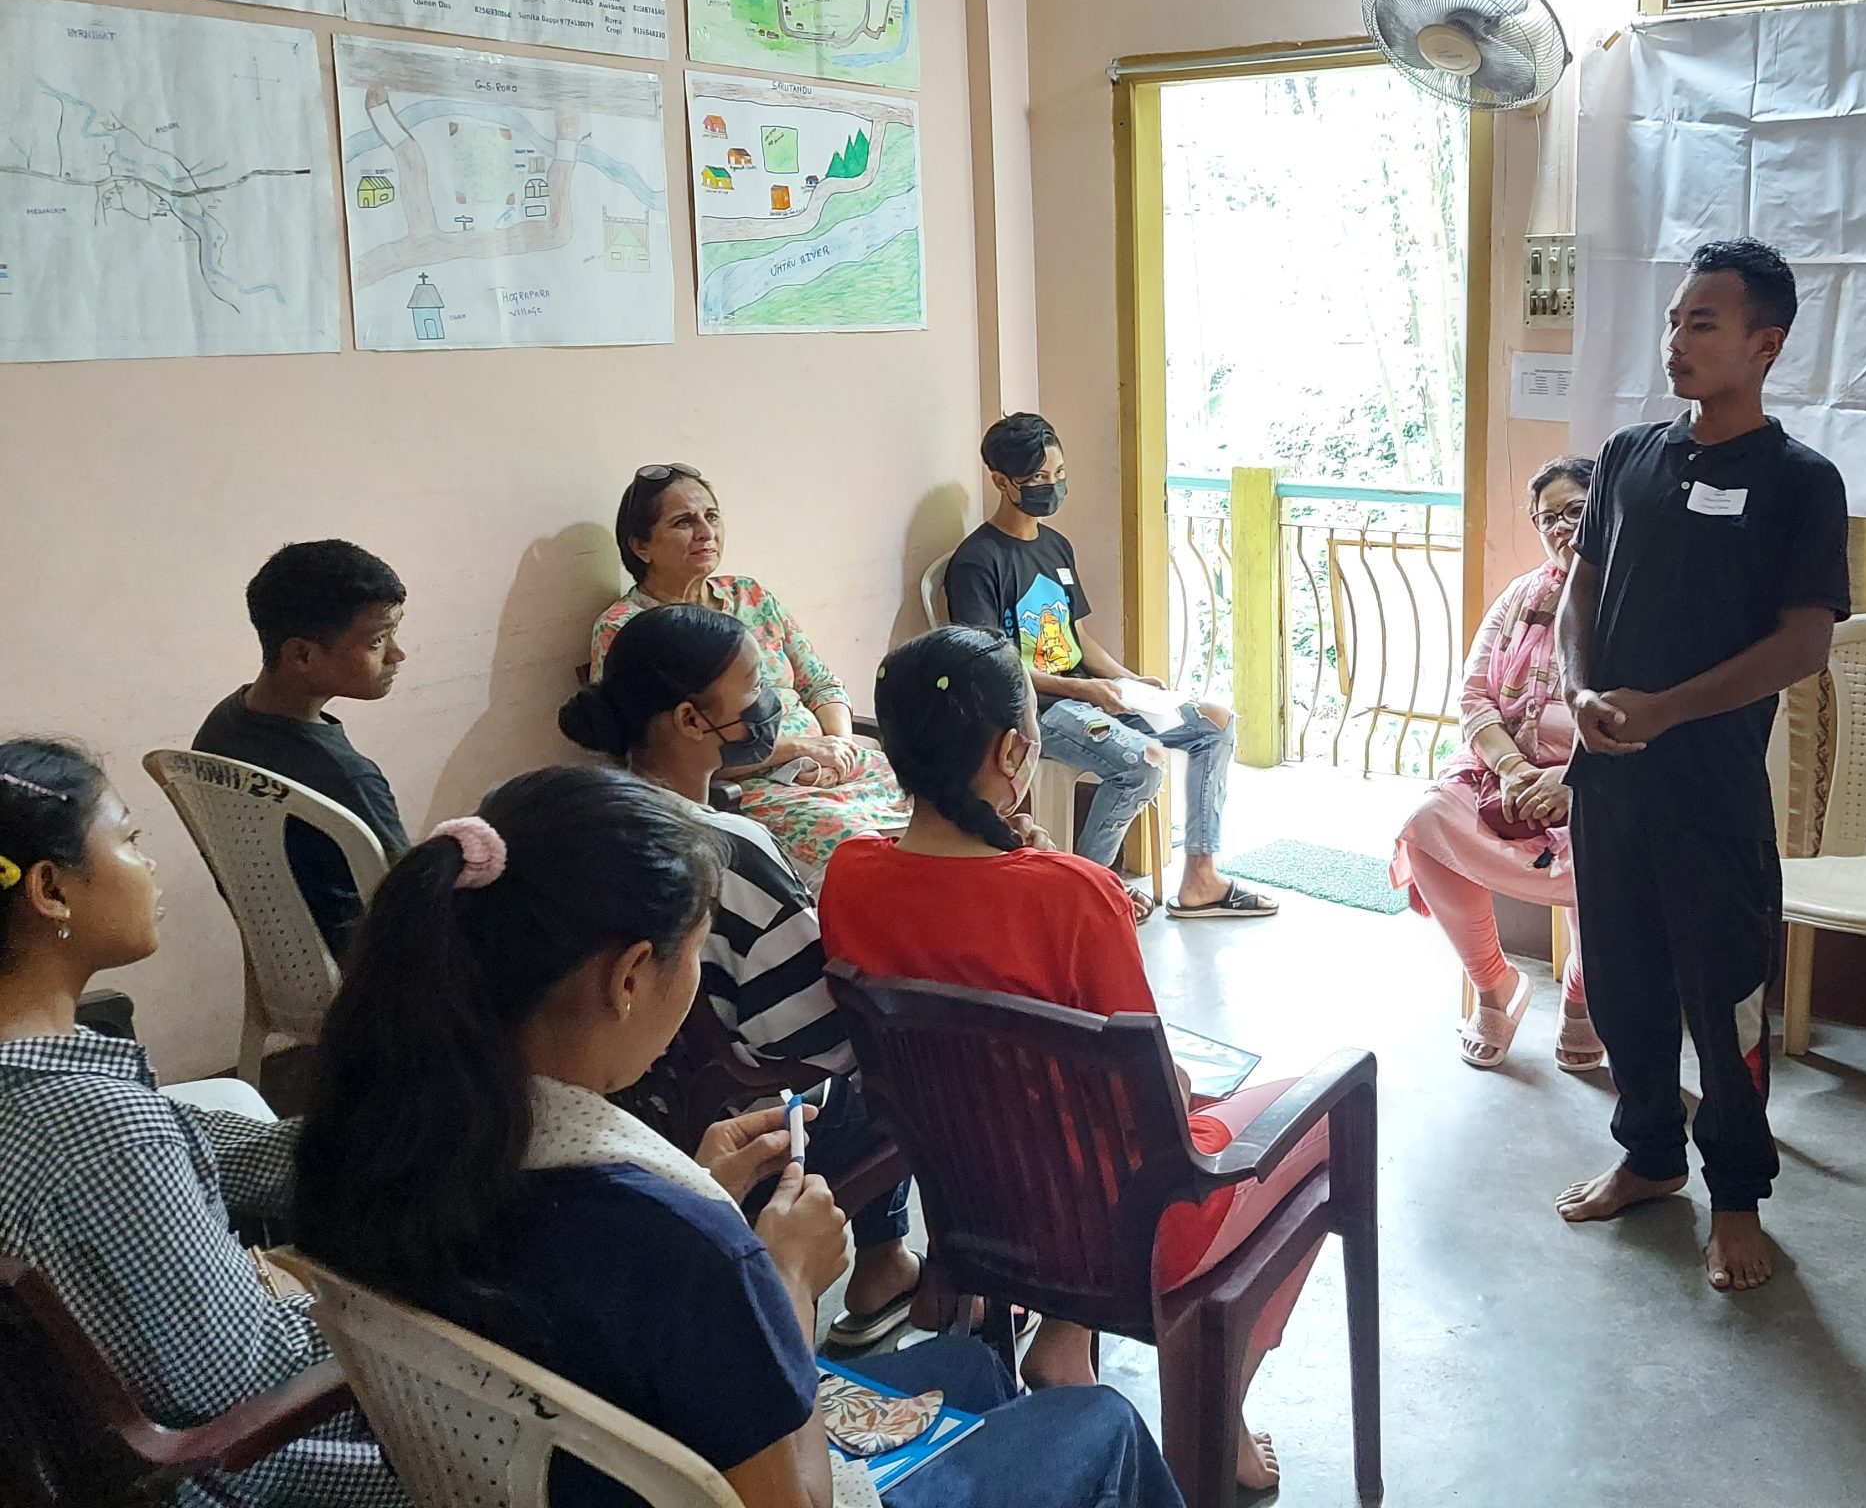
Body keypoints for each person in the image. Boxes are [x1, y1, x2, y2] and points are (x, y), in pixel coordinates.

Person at [293, 765, 1185, 1508]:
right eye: (699, 951)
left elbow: (603, 1301)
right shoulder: (688, 1250)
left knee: (969, 1372)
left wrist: (693, 1193)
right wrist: (783, 1280)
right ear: (631, 977)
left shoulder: (364, 1141)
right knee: (1095, 1420)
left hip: (571, 1474)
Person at [821, 626, 1326, 1493]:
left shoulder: (850, 873)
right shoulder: (1072, 895)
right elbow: (1153, 1097)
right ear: (1019, 749)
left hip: (965, 1201)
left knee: (1038, 1115)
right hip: (1118, 1229)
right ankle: (1221, 1409)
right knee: (1317, 1119)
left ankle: (1062, 1340)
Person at [0, 738, 406, 1507]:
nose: (146, 865)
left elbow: (209, 1151)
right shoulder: (94, 1131)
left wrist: (410, 1140)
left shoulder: (55, 1070)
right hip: (232, 1470)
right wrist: (408, 1313)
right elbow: (248, 1377)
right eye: (129, 839)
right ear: (51, 889)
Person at [1554, 238, 1849, 1295]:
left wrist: (1664, 710)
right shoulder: (1629, 454)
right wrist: (1580, 694)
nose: (1677, 342)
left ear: (1765, 345)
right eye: (1675, 321)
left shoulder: (1799, 482)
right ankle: (1647, 1157)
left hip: (1711, 791)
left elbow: (1801, 645)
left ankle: (1735, 1197)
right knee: (1623, 980)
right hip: (1609, 784)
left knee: (1722, 997)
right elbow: (1578, 592)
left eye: (1704, 325)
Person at [559, 602, 924, 1357]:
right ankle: (890, 1265)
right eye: (756, 689)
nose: (769, 708)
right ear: (693, 721)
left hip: (642, 1100)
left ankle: (886, 1264)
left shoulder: (585, 812)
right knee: (914, 1061)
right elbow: (822, 1039)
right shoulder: (732, 850)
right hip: (749, 1121)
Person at [943, 412, 1273, 921]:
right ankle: (1087, 893)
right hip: (1034, 711)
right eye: (1037, 480)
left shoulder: (1055, 547)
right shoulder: (976, 562)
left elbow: (1075, 635)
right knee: (1141, 761)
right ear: (1001, 482)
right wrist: (1088, 692)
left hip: (1088, 694)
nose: (1052, 488)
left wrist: (1124, 678)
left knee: (1215, 723)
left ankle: (1201, 879)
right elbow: (993, 666)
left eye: (1058, 475)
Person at [591, 463, 902, 880]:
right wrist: (801, 749)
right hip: (747, 788)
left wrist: (837, 748)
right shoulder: (631, 630)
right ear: (641, 546)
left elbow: (819, 683)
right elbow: (663, 752)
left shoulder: (748, 595)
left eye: (712, 516)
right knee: (866, 848)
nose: (705, 532)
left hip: (832, 766)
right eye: (684, 522)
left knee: (947, 798)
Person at [1392, 455, 1602, 1071]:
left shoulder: (1637, 604)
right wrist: (1512, 768)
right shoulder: (1520, 597)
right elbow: (1475, 696)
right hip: (1504, 773)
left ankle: (1584, 996)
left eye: (1575, 512)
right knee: (1428, 824)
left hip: (1596, 781)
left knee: (1621, 851)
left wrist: (1572, 779)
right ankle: (1494, 986)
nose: (1561, 529)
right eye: (1547, 519)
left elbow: (1640, 718)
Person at [194, 539, 411, 954]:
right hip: (371, 976)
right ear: (303, 655)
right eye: (378, 640)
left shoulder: (223, 724)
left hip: (293, 962)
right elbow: (419, 906)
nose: (397, 655)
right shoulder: (347, 778)